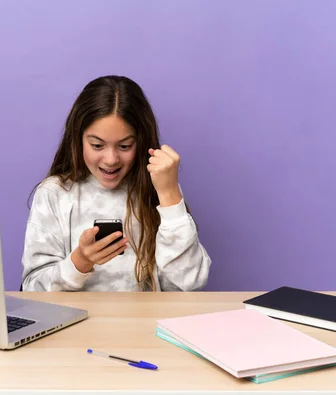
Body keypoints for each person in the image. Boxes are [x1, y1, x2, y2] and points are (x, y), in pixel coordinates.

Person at [21, 75, 211, 292]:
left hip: (145, 323)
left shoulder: (159, 188)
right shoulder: (55, 193)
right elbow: (32, 289)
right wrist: (80, 262)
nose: (111, 160)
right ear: (78, 139)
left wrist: (169, 195)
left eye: (124, 146)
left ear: (140, 142)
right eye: (97, 145)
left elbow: (191, 282)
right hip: (79, 324)